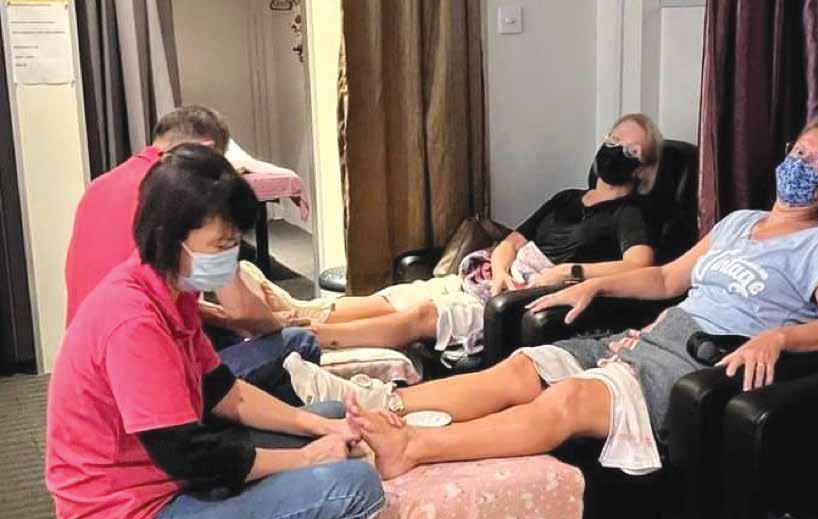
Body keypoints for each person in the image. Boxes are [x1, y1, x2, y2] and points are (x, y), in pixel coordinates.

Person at [296, 121, 818, 481]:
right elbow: (666, 279)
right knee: (521, 368)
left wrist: (779, 337)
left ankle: (414, 447)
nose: (800, 166)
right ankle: (378, 408)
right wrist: (596, 284)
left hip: (703, 359)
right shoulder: (739, 222)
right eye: (799, 151)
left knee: (567, 398)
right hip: (654, 333)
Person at [46, 144, 385, 519]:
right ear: (171, 236)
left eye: (234, 243)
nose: (230, 257)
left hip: (153, 484)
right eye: (221, 245)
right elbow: (192, 456)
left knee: (323, 415)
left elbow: (224, 393)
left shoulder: (166, 289)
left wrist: (320, 430)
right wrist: (306, 460)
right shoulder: (133, 321)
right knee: (357, 489)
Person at [250, 113, 664, 356]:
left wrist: (567, 273)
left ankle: (308, 337)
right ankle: (296, 312)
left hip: (526, 296)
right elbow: (510, 243)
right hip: (495, 279)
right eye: (614, 140)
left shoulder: (630, 213)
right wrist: (500, 273)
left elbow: (640, 265)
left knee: (420, 316)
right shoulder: (566, 198)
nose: (616, 150)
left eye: (631, 150)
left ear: (644, 169)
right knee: (398, 297)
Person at [64, 105, 318, 398]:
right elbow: (243, 311)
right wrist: (277, 322)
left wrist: (224, 317)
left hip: (87, 363)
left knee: (228, 335)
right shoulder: (181, 196)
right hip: (136, 370)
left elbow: (175, 304)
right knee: (298, 342)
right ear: (205, 151)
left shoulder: (99, 187)